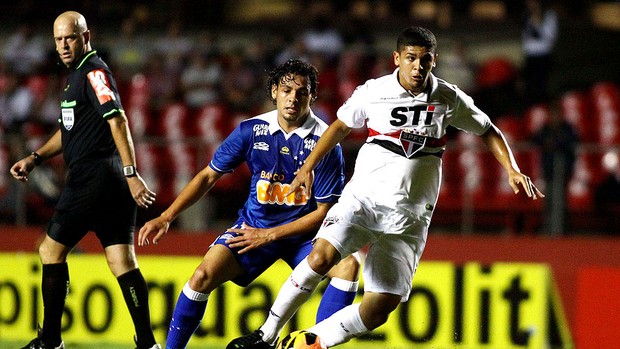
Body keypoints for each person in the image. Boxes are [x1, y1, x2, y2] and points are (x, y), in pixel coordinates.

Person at [228, 26, 544, 349]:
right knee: (321, 256)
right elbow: (339, 126)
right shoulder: (374, 91)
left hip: (409, 218)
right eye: (410, 58)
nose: (417, 67)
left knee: (381, 307)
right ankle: (265, 334)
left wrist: (513, 170)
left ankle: (311, 341)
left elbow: (488, 129)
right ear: (397, 58)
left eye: (424, 60)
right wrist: (307, 166)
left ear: (434, 61)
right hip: (364, 201)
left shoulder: (448, 98)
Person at [138, 59, 360, 349]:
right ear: (273, 92)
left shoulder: (325, 143)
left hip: (303, 237)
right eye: (286, 90)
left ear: (312, 96)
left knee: (348, 267)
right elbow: (207, 176)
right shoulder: (251, 131)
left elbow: (323, 213)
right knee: (202, 275)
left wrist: (270, 235)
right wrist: (166, 216)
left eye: (302, 92)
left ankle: (316, 344)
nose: (293, 98)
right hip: (254, 228)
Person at [9, 11, 159, 349]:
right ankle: (148, 343)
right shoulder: (76, 76)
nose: (63, 45)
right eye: (58, 39)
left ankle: (50, 342)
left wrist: (132, 172)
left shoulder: (93, 72)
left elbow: (118, 120)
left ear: (85, 36)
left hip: (95, 176)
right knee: (121, 259)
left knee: (50, 250)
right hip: (110, 181)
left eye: (70, 38)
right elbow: (68, 131)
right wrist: (34, 158)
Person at [531, 102, 578, 235]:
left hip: (562, 172)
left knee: (560, 203)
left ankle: (561, 232)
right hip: (548, 172)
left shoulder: (567, 128)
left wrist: (556, 143)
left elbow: (572, 142)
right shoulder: (546, 129)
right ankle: (548, 230)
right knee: (548, 202)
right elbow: (535, 139)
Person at [521, 0, 558, 105]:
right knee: (530, 89)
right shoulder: (526, 16)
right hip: (530, 57)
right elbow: (526, 38)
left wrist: (538, 23)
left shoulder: (549, 16)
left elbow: (551, 37)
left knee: (543, 88)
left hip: (543, 57)